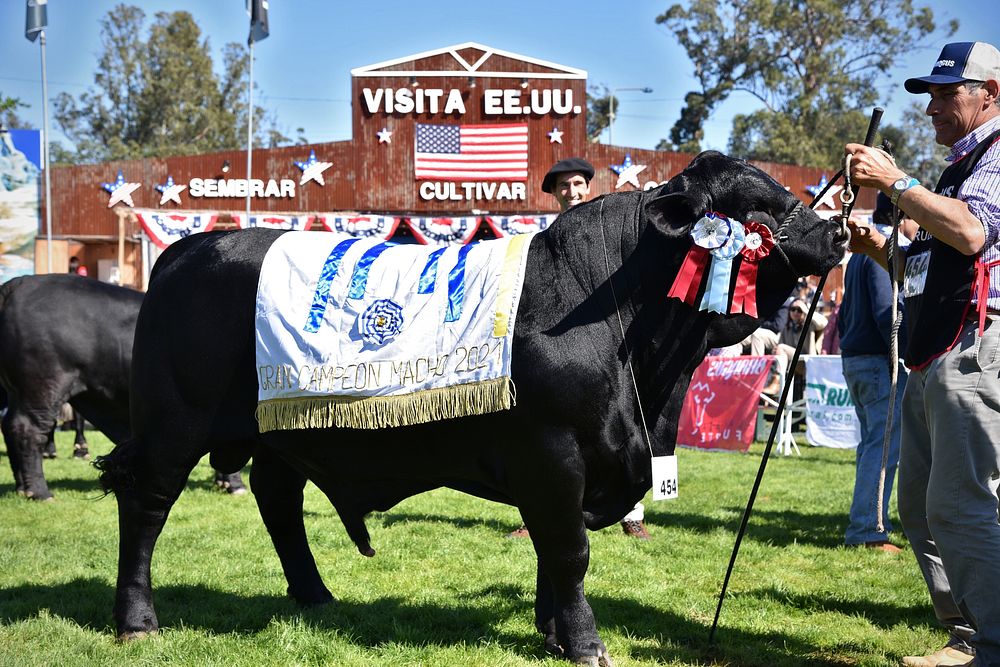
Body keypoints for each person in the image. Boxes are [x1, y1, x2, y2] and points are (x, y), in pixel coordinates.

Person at [845, 41, 1000, 667]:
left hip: (975, 346)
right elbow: (935, 264)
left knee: (960, 504)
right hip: (935, 350)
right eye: (930, 94)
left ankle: (992, 644)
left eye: (947, 92)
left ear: (991, 92)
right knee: (919, 506)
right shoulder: (959, 166)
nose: (933, 105)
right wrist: (879, 248)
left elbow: (970, 232)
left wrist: (895, 182)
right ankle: (966, 634)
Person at [509, 157, 649, 540]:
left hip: (608, 345)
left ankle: (631, 514)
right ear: (554, 194)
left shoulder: (607, 227)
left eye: (577, 185)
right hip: (561, 349)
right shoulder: (543, 240)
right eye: (564, 187)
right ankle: (535, 516)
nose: (572, 192)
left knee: (619, 427)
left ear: (588, 186)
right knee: (547, 434)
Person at [838, 194, 909, 554]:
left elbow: (846, 312)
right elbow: (886, 313)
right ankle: (869, 529)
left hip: (856, 356)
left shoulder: (859, 255)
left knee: (872, 446)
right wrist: (908, 350)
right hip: (879, 360)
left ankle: (870, 520)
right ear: (902, 217)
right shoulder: (884, 250)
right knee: (882, 450)